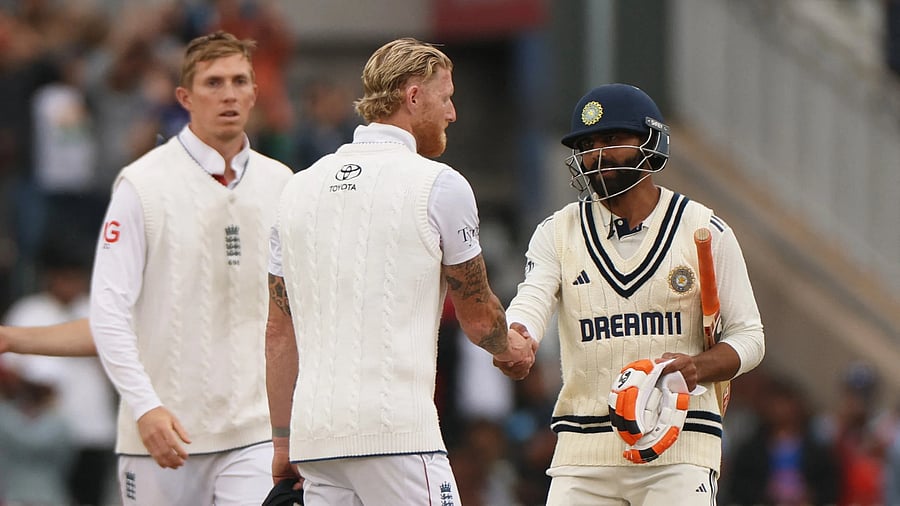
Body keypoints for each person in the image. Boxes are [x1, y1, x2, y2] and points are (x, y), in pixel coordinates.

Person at [265, 37, 535, 505]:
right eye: (447, 98)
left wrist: (284, 441)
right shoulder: (440, 184)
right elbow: (478, 318)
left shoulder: (296, 190)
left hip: (315, 440)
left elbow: (277, 334)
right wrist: (511, 346)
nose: (452, 113)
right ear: (414, 97)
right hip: (397, 436)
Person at [498, 83, 765, 504]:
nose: (597, 156)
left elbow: (750, 338)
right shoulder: (557, 231)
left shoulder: (704, 230)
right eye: (587, 145)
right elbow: (532, 298)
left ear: (651, 143)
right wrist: (518, 334)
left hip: (680, 446)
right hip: (583, 451)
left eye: (612, 140)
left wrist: (696, 367)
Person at [88, 31, 293, 505]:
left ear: (254, 93)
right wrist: (144, 407)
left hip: (255, 432)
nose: (228, 93)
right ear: (184, 97)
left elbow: (302, 308)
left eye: (240, 81)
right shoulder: (141, 185)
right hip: (163, 433)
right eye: (213, 82)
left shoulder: (283, 183)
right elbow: (108, 312)